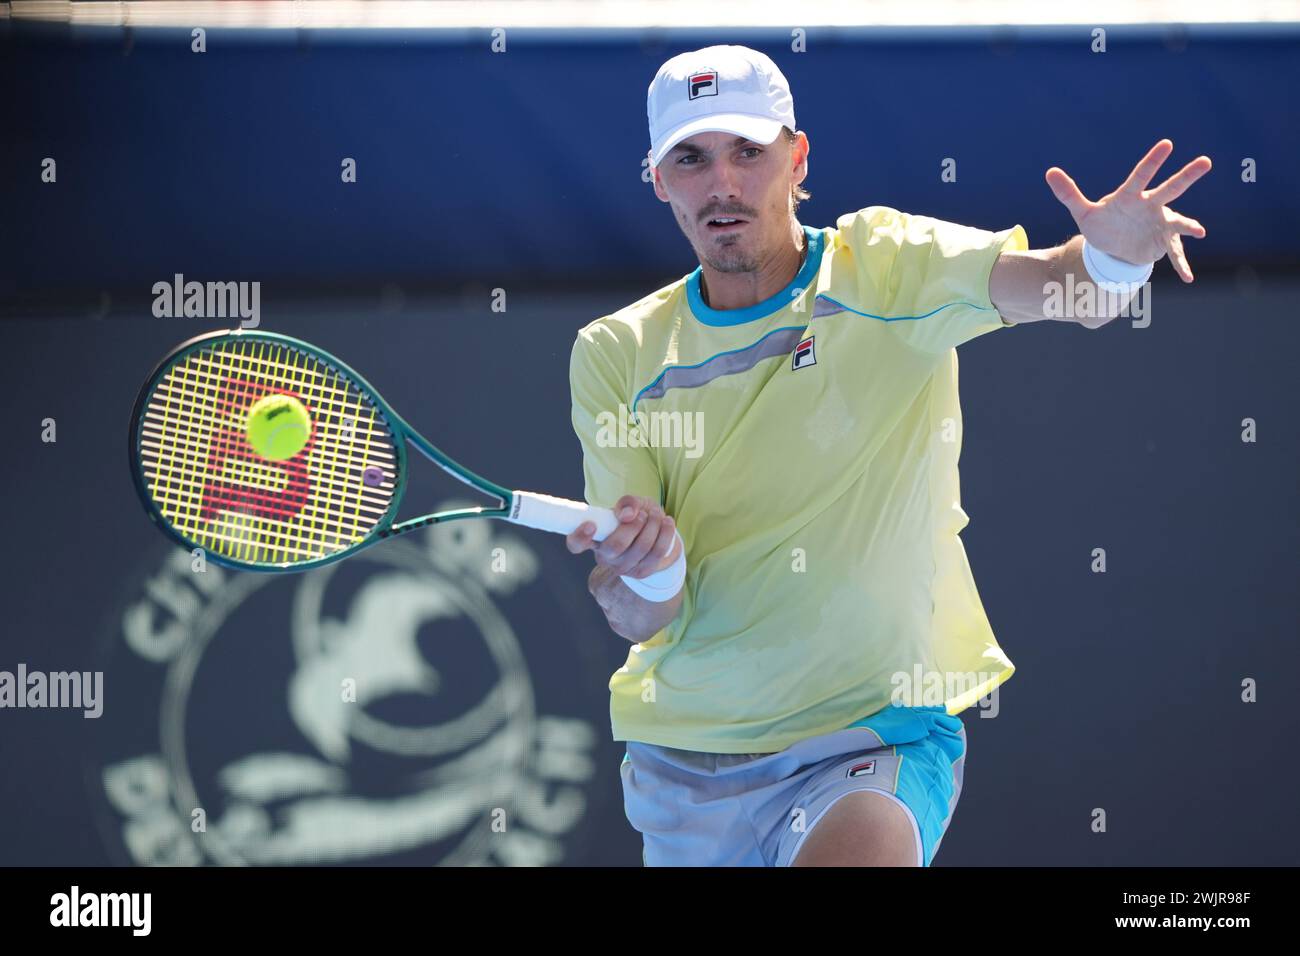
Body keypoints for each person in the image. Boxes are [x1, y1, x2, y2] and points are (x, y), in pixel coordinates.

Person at [564, 44, 1210, 866]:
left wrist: (1116, 257)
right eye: (691, 159)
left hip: (871, 736)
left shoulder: (885, 266)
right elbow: (635, 610)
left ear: (797, 159)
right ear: (657, 179)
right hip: (687, 761)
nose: (722, 185)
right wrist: (644, 569)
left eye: (748, 153)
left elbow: (1067, 289)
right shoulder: (616, 352)